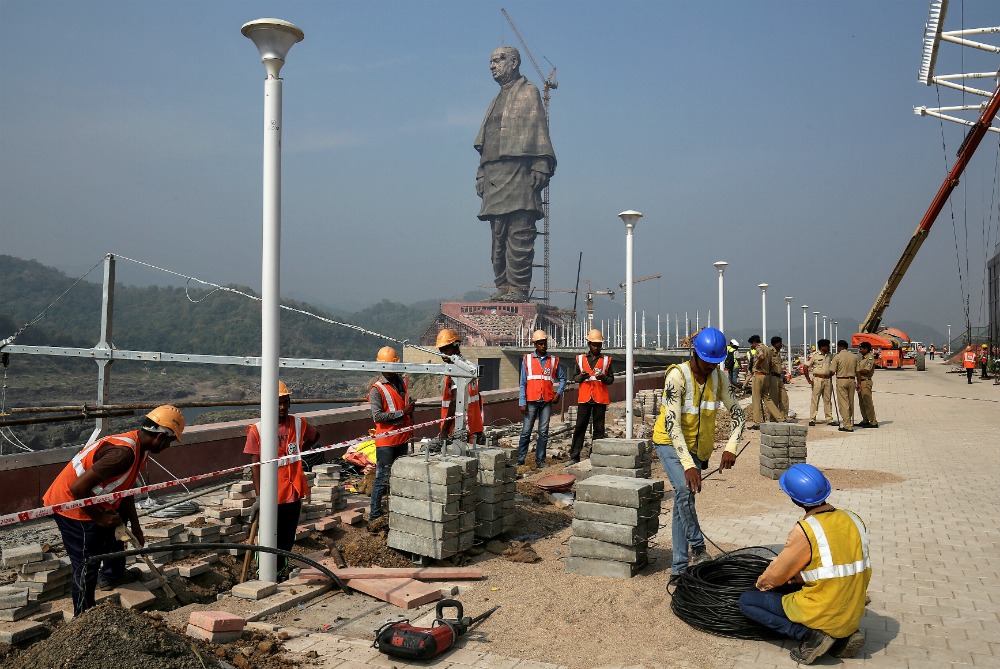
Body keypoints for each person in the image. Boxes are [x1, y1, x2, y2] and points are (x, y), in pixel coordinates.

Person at [43, 406, 185, 616]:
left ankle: (112, 574)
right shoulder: (123, 453)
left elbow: (126, 489)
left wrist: (136, 527)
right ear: (161, 437)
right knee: (86, 562)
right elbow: (77, 489)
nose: (169, 447)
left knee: (117, 526)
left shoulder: (140, 449)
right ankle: (83, 617)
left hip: (93, 501)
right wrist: (98, 517)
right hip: (71, 505)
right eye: (171, 441)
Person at [738, 464, 871, 664]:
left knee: (747, 601)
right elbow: (841, 563)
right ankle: (845, 636)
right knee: (797, 586)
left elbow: (777, 574)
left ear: (794, 499)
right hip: (851, 610)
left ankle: (810, 636)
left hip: (823, 608)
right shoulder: (853, 518)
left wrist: (761, 586)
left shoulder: (806, 530)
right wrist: (804, 576)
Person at [652, 328, 746, 576]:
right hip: (669, 442)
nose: (711, 368)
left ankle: (679, 568)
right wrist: (688, 464)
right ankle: (698, 546)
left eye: (716, 363)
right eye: (707, 362)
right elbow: (672, 425)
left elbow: (738, 415)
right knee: (684, 489)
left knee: (683, 502)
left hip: (696, 448)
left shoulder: (719, 377)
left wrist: (731, 446)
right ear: (695, 353)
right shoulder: (677, 376)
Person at [475, 46, 556, 302]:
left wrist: (541, 164)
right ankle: (503, 287)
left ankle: (518, 289)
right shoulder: (496, 99)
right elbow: (486, 142)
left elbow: (539, 129)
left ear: (514, 62)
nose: (492, 65)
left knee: (520, 234)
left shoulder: (528, 91)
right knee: (497, 240)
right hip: (494, 175)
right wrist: (480, 175)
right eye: (490, 60)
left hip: (519, 173)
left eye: (498, 59)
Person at [245, 381, 319, 580]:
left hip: (293, 490)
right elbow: (255, 467)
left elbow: (315, 436)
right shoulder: (257, 430)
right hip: (272, 494)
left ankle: (279, 574)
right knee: (269, 538)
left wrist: (301, 448)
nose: (283, 407)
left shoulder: (298, 423)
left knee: (287, 538)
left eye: (285, 402)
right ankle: (264, 575)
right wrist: (259, 496)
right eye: (278, 403)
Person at [369, 346, 415, 520]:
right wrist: (403, 412)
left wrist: (408, 410)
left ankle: (395, 512)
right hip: (386, 441)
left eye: (390, 366)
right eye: (384, 367)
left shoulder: (403, 382)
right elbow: (378, 416)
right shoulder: (376, 389)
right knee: (381, 478)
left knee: (398, 477)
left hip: (402, 438)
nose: (387, 370)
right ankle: (374, 517)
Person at [517, 330, 565, 467]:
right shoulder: (527, 360)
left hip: (546, 401)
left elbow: (562, 378)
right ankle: (520, 459)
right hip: (531, 401)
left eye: (545, 344)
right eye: (540, 344)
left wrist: (559, 393)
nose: (543, 346)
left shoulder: (553, 361)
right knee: (526, 431)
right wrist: (522, 402)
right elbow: (522, 383)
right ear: (535, 344)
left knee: (543, 432)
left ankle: (540, 461)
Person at [568, 329, 614, 465]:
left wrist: (603, 378)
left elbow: (611, 379)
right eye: (593, 344)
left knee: (599, 429)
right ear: (589, 344)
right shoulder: (580, 359)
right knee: (580, 427)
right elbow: (575, 377)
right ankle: (574, 456)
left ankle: (595, 455)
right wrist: (581, 377)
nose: (596, 347)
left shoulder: (607, 360)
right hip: (585, 398)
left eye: (598, 345)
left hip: (600, 398)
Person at [436, 329, 485, 444]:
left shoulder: (456, 370)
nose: (443, 353)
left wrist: (444, 430)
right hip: (473, 427)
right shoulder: (468, 366)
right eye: (441, 350)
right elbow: (477, 397)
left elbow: (454, 402)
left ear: (456, 347)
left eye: (446, 349)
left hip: (459, 429)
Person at [803, 339, 835, 426]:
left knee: (828, 399)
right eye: (827, 346)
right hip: (817, 379)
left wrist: (832, 372)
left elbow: (833, 365)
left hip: (827, 380)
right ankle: (812, 418)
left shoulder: (829, 355)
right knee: (815, 399)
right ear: (822, 347)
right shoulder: (814, 355)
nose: (829, 347)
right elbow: (805, 367)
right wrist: (809, 380)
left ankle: (829, 419)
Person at [829, 340, 858, 431]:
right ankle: (850, 421)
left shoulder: (837, 357)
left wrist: (828, 377)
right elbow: (858, 371)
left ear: (838, 347)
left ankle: (847, 425)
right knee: (851, 402)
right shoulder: (854, 356)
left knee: (843, 403)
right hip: (852, 380)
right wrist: (859, 383)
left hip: (842, 380)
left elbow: (832, 371)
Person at [855, 343, 879, 429]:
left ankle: (873, 421)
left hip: (866, 382)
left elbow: (866, 371)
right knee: (862, 402)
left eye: (861, 349)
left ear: (866, 349)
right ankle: (865, 420)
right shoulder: (862, 358)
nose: (860, 350)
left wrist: (857, 370)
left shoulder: (869, 359)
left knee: (867, 402)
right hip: (861, 382)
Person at [770, 336, 790, 422]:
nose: (781, 344)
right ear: (775, 344)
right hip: (773, 377)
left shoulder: (777, 352)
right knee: (774, 399)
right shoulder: (770, 352)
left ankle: (783, 417)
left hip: (779, 377)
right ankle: (773, 418)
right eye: (779, 343)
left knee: (784, 398)